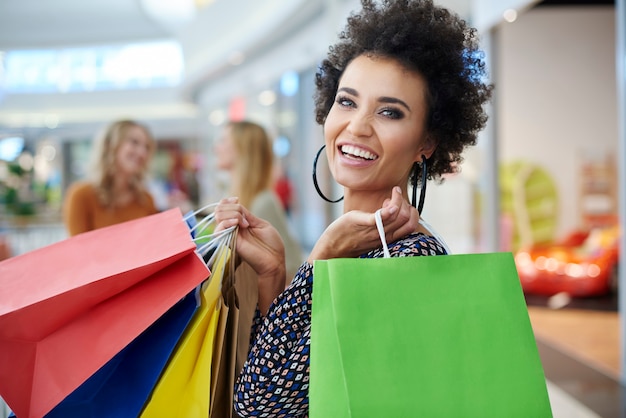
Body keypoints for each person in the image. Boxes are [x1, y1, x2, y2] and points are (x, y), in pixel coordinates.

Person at [213, 0, 493, 416]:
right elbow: (299, 385)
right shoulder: (362, 245)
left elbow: (258, 405)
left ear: (427, 143)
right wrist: (273, 275)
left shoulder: (405, 258)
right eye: (347, 102)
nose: (357, 126)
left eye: (389, 112)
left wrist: (321, 256)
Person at [214, 120, 304, 282]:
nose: (216, 148)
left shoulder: (263, 202)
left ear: (242, 149)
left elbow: (290, 268)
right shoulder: (237, 197)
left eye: (223, 141)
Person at [63, 119, 158, 236]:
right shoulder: (81, 196)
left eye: (147, 147)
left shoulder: (146, 200)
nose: (142, 152)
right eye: (134, 142)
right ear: (110, 145)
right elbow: (76, 249)